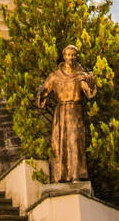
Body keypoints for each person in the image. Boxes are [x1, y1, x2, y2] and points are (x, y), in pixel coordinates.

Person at [37, 45, 98, 182]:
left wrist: (92, 83)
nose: (71, 58)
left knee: (75, 142)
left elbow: (89, 93)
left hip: (75, 112)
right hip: (61, 112)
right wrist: (41, 93)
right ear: (64, 57)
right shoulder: (55, 76)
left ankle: (76, 175)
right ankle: (61, 176)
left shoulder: (80, 75)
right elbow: (44, 92)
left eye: (73, 55)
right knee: (59, 144)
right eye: (69, 55)